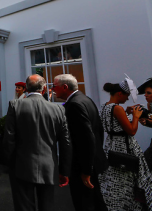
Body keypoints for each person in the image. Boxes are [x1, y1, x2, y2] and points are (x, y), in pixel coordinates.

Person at [2, 74, 71, 211]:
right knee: (47, 205)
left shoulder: (15, 105)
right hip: (49, 166)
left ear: (26, 88)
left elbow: (9, 138)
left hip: (21, 165)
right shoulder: (58, 109)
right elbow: (65, 142)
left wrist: (9, 163)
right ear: (44, 89)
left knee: (24, 206)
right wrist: (64, 170)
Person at [53, 74, 108, 211]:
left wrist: (86, 170)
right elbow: (98, 131)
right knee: (96, 200)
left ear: (65, 87)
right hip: (92, 161)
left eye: (54, 86)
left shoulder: (74, 105)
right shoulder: (85, 99)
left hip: (82, 166)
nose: (53, 89)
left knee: (84, 203)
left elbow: (87, 138)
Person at [98, 81, 152, 210]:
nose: (127, 98)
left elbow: (115, 125)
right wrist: (136, 116)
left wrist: (128, 113)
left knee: (116, 178)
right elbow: (131, 131)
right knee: (131, 177)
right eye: (126, 95)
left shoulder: (104, 106)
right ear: (119, 93)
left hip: (111, 145)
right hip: (125, 147)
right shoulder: (117, 108)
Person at [136, 78, 152, 170]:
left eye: (149, 93)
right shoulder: (150, 104)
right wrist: (145, 122)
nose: (145, 95)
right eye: (145, 93)